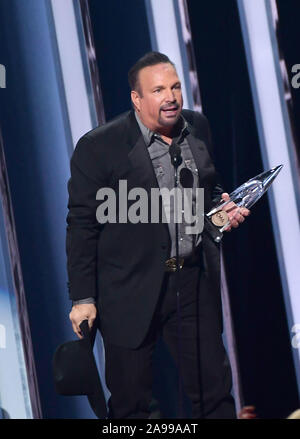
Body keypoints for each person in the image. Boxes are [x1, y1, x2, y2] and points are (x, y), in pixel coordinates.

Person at [66, 51, 250, 419]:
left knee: (215, 394)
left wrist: (221, 213)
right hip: (128, 289)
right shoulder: (99, 146)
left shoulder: (197, 126)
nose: (171, 97)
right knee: (131, 407)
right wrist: (83, 297)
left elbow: (208, 191)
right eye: (159, 90)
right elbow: (82, 225)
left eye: (176, 86)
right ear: (137, 99)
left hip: (191, 280)